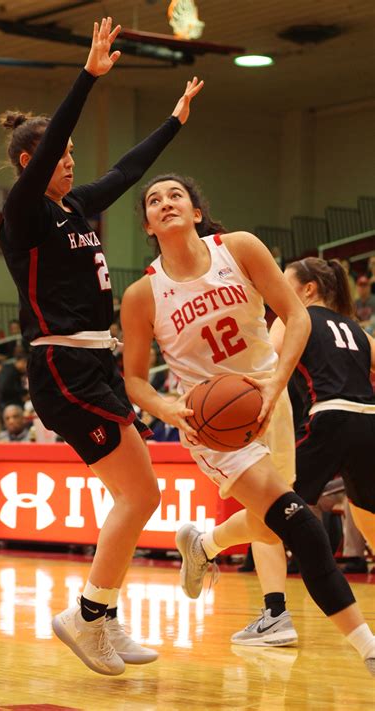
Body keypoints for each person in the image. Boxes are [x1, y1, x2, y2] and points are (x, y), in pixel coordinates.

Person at [0, 17, 203, 676]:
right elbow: (56, 131)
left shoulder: (74, 208)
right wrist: (88, 74)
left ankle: (99, 614)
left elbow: (125, 171)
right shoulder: (23, 212)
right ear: (31, 163)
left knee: (140, 496)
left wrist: (174, 120)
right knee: (141, 497)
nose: (70, 159)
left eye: (71, 155)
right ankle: (87, 617)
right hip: (61, 363)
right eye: (60, 155)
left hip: (96, 364)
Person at [120, 174, 375, 675]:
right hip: (216, 428)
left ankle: (204, 543)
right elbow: (133, 380)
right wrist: (171, 410)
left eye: (176, 195)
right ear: (148, 225)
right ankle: (367, 647)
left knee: (268, 523)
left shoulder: (238, 249)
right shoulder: (142, 295)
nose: (165, 202)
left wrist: (276, 384)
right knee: (299, 521)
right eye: (154, 200)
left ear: (196, 212)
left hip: (271, 402)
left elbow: (297, 317)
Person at [271, 256, 375, 558]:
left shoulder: (293, 319)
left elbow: (264, 360)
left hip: (329, 418)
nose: (278, 291)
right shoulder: (355, 329)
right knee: (367, 510)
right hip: (368, 421)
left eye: (285, 284)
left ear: (308, 289)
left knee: (272, 501)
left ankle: (208, 543)